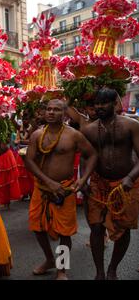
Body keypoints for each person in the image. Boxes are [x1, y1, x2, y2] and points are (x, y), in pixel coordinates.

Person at [25, 99, 97, 280]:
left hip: (64, 190)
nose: (51, 112)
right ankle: (49, 259)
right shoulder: (37, 135)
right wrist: (48, 182)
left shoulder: (74, 135)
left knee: (65, 232)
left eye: (56, 110)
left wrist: (83, 179)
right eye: (48, 109)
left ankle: (62, 269)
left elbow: (93, 154)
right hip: (42, 188)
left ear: (64, 114)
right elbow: (30, 161)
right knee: (37, 228)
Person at [81, 88, 139, 280]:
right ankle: (99, 272)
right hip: (98, 184)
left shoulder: (131, 125)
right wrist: (84, 181)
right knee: (96, 227)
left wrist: (130, 177)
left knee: (122, 229)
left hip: (125, 184)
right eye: (97, 103)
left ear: (115, 103)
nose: (99, 107)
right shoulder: (88, 129)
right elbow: (85, 158)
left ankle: (113, 268)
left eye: (104, 103)